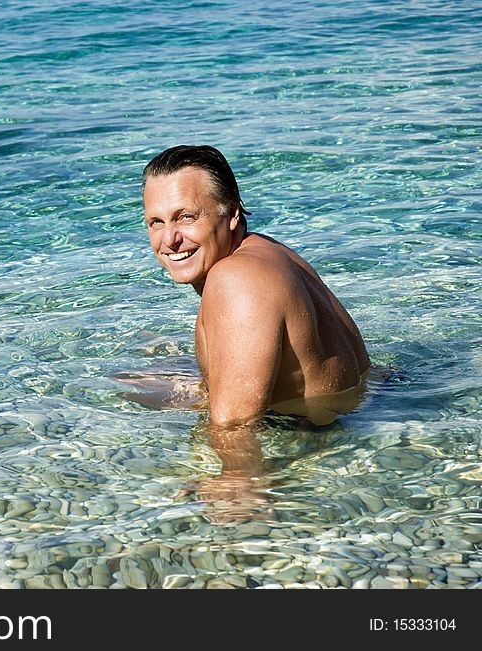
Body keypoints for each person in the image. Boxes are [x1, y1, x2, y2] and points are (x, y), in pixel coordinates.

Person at [139, 145, 370, 516]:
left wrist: (233, 488)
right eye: (157, 222)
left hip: (313, 444)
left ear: (231, 213)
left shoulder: (237, 279)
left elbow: (235, 426)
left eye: (185, 218)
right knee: (133, 381)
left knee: (123, 394)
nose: (169, 240)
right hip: (354, 415)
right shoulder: (266, 252)